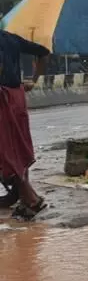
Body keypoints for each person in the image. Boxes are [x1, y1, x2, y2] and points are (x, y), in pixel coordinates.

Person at [0, 30, 50, 219]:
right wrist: (34, 80)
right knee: (18, 147)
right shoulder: (11, 38)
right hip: (17, 96)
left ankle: (30, 199)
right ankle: (23, 197)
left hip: (3, 98)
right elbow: (44, 52)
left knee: (7, 150)